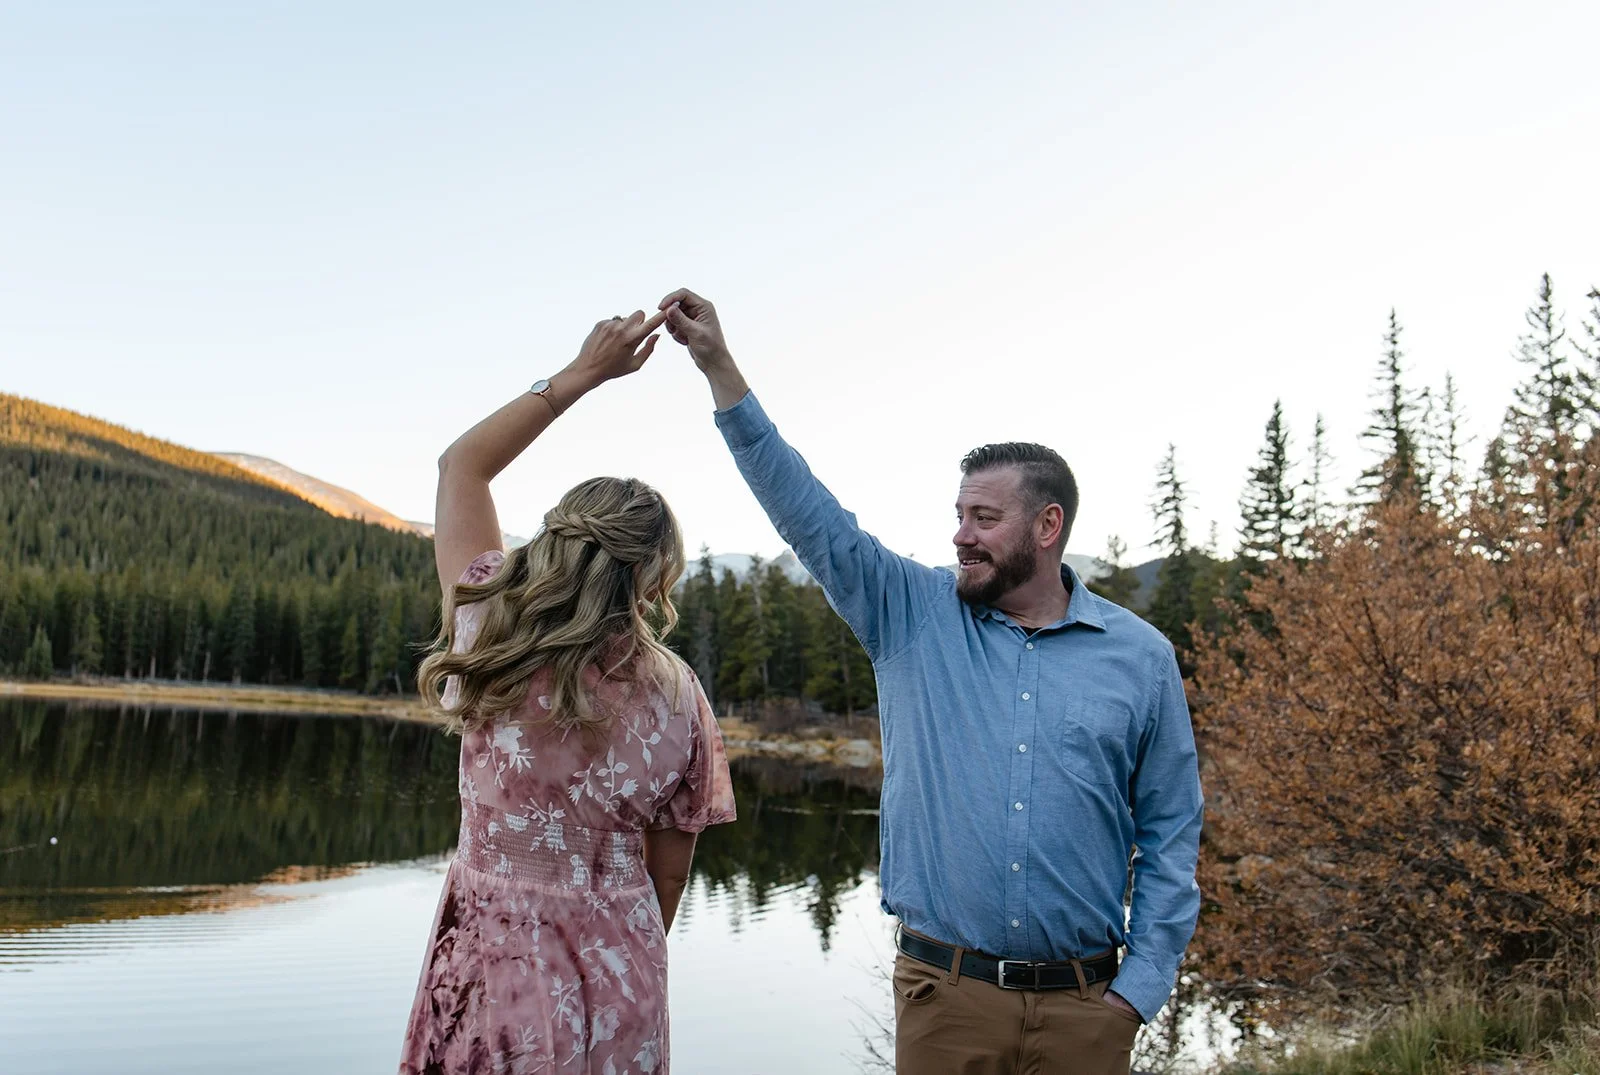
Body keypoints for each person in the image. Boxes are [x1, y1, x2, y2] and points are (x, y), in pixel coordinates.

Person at [659, 288, 1203, 1075]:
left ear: (1047, 528)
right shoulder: (911, 614)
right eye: (959, 513)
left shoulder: (1142, 658)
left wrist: (1138, 989)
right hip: (947, 1003)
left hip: (1088, 1009)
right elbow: (808, 513)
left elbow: (1172, 831)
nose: (960, 534)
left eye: (984, 517)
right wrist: (718, 365)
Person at [399, 310, 737, 1075]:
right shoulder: (680, 695)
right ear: (652, 578)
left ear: (558, 537)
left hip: (492, 963)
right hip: (622, 965)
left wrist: (583, 373)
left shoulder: (490, 624)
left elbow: (462, 467)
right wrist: (623, 939)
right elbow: (672, 871)